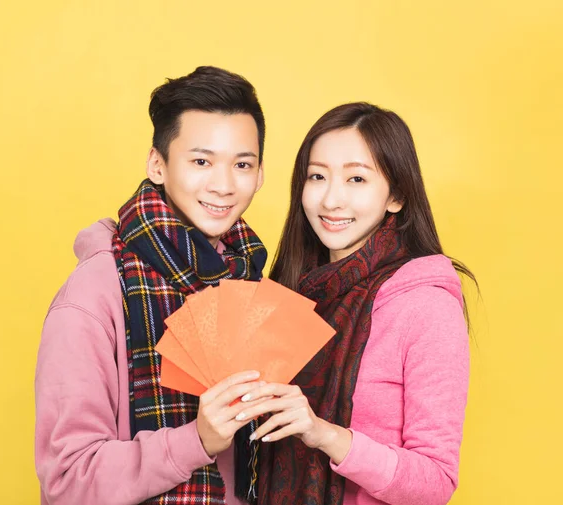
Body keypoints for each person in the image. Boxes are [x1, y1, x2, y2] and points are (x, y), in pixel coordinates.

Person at [35, 66, 269, 505]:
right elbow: (66, 482)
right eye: (201, 161)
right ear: (157, 165)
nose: (223, 185)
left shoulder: (249, 280)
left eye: (242, 164)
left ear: (260, 175)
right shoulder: (94, 295)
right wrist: (195, 440)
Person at [235, 102, 474, 505]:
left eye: (357, 179)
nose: (332, 200)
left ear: (396, 195)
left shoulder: (425, 306)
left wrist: (325, 434)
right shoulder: (287, 294)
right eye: (317, 176)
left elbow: (435, 480)